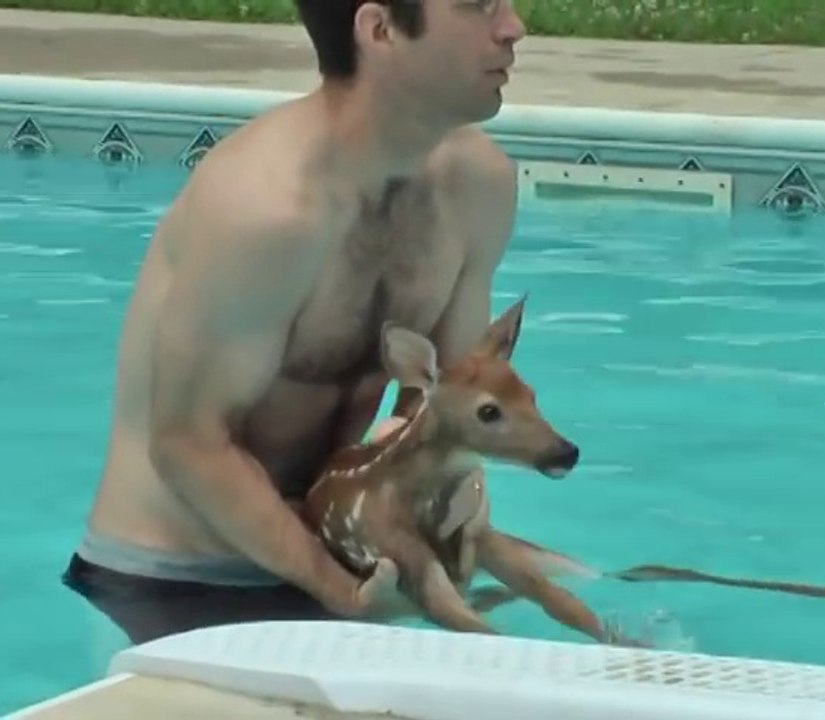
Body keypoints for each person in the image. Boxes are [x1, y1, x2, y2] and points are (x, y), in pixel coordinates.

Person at [62, 0, 528, 646]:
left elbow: (448, 395)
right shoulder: (266, 210)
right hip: (172, 585)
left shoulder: (479, 187)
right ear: (380, 30)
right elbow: (188, 444)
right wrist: (342, 595)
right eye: (478, 5)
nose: (512, 27)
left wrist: (435, 488)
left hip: (347, 559)